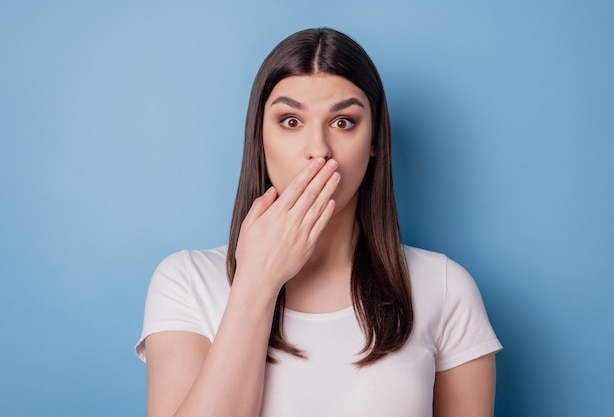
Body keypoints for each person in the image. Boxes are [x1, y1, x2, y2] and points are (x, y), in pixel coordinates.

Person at [135, 28, 502, 417]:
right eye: (291, 121)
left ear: (374, 139)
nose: (318, 150)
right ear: (260, 137)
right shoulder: (186, 281)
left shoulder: (444, 287)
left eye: (343, 122)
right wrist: (256, 282)